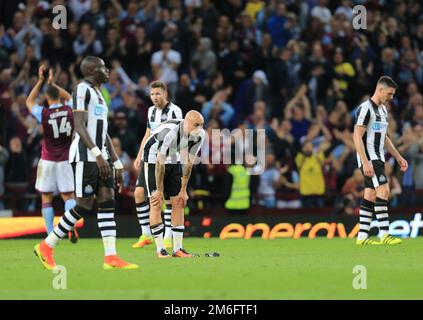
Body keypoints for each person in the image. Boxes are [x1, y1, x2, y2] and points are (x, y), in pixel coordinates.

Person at [34, 56, 137, 270]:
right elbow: (79, 125)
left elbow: (103, 131)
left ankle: (111, 257)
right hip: (85, 155)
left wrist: (115, 161)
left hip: (100, 156)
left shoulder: (99, 94)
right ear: (91, 70)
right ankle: (46, 246)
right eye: (103, 67)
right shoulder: (82, 89)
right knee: (83, 204)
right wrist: (98, 155)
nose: (107, 69)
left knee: (107, 200)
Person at [353, 76, 408, 245]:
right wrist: (365, 161)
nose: (391, 97)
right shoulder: (365, 109)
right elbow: (356, 136)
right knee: (384, 190)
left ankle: (362, 237)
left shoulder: (383, 110)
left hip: (379, 157)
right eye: (390, 94)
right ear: (380, 89)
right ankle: (384, 234)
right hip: (370, 157)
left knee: (370, 194)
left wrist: (398, 157)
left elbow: (384, 138)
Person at [26, 64, 78, 242]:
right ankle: (69, 226)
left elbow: (29, 102)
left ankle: (50, 234)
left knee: (46, 197)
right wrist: (52, 83)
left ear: (47, 98)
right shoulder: (69, 110)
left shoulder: (44, 113)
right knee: (68, 196)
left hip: (47, 160)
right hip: (65, 160)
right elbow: (70, 97)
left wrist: (41, 82)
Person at [143, 111, 205, 258]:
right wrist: (159, 190)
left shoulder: (200, 135)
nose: (200, 128)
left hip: (173, 155)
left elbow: (189, 163)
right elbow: (159, 162)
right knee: (156, 202)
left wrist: (183, 190)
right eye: (196, 125)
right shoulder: (169, 133)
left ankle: (178, 249)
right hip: (153, 156)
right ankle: (160, 249)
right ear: (187, 123)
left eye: (202, 125)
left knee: (179, 201)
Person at [132, 81, 183, 249]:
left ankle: (167, 236)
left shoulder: (175, 111)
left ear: (165, 94)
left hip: (169, 160)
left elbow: (179, 138)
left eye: (158, 94)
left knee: (167, 199)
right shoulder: (150, 111)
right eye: (152, 94)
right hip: (150, 159)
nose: (154, 97)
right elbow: (148, 133)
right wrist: (139, 155)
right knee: (139, 193)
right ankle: (146, 234)